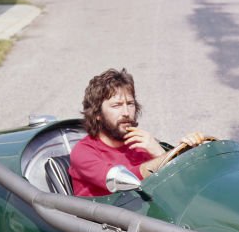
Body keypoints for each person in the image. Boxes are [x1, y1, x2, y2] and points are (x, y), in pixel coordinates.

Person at [69, 69, 206, 197]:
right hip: (103, 220)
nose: (126, 113)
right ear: (97, 113)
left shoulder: (141, 143)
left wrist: (166, 151)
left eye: (130, 104)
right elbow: (125, 181)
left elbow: (176, 185)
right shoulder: (83, 152)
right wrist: (167, 157)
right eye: (116, 105)